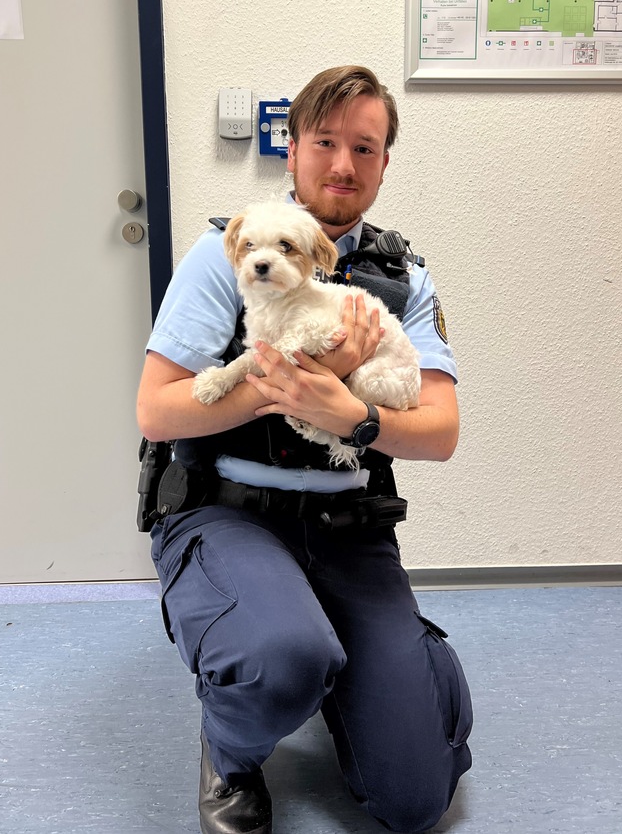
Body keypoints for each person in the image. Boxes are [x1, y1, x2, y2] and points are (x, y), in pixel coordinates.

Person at [137, 66, 472, 834]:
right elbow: (155, 411)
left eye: (366, 146)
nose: (344, 164)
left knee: (415, 798)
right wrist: (281, 384)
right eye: (325, 141)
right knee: (281, 657)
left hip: (349, 530)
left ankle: (378, 663)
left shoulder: (403, 279)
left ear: (386, 162)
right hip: (230, 517)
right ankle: (231, 745)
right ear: (292, 149)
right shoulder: (229, 253)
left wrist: (353, 413)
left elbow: (440, 430)